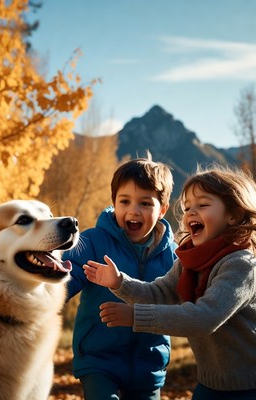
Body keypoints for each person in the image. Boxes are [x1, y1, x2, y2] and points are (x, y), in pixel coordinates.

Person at [83, 164, 256, 400]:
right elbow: (159, 292)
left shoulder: (240, 264)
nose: (190, 213)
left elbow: (203, 318)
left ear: (233, 215)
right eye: (187, 207)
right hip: (211, 385)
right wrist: (119, 283)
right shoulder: (190, 261)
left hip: (254, 386)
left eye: (203, 205)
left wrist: (135, 316)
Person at [64, 153, 177, 400]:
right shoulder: (93, 242)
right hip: (99, 359)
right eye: (124, 201)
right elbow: (65, 278)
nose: (133, 210)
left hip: (149, 362)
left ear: (162, 210)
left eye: (145, 203)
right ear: (114, 202)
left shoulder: (173, 255)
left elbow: (181, 304)